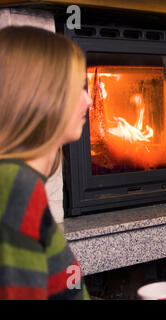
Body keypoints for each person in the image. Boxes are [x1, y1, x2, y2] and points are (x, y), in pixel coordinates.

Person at [0, 26, 93, 299]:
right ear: (39, 95)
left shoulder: (19, 181)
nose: (88, 100)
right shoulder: (14, 186)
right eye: (77, 89)